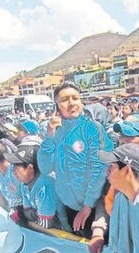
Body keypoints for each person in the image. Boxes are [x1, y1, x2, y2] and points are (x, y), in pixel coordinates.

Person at [38, 82, 113, 238]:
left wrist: (86, 207)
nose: (71, 103)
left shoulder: (93, 128)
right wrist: (49, 138)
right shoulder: (55, 132)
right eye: (65, 99)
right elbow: (45, 168)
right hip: (68, 209)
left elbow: (100, 170)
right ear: (57, 107)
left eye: (75, 98)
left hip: (93, 209)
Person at [4, 144, 56, 228]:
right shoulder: (24, 184)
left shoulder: (45, 186)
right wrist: (35, 214)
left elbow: (46, 224)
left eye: (17, 165)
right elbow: (26, 211)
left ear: (30, 168)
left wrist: (31, 216)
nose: (13, 170)